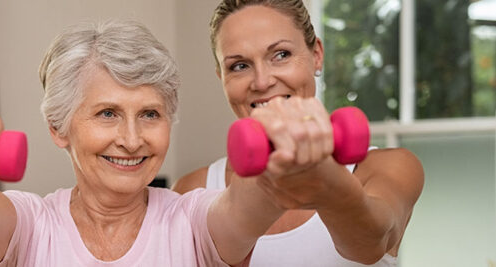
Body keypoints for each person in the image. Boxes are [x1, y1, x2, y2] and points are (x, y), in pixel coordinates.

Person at [0, 20, 294, 267]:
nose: (132, 141)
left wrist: (284, 152)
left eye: (150, 114)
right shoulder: (30, 225)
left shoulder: (195, 221)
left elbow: (250, 205)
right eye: (107, 113)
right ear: (58, 127)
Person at [172, 1, 425, 266]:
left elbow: (372, 243)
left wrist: (327, 183)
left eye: (281, 54)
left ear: (316, 54)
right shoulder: (193, 189)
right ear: (221, 77)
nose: (262, 81)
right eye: (239, 66)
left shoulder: (389, 166)